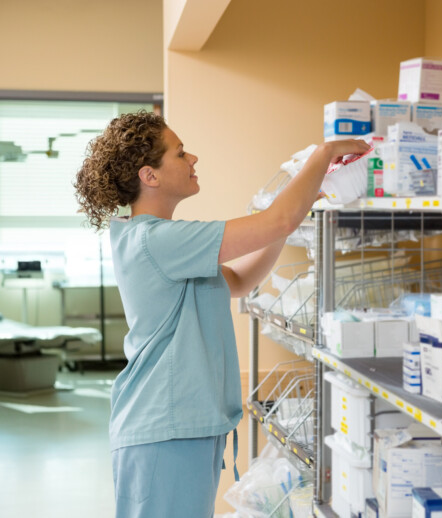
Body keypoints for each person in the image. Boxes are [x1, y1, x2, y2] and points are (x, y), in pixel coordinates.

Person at [74, 111, 369, 518]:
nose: (192, 158)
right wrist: (325, 154)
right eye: (179, 153)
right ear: (150, 175)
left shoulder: (161, 241)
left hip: (182, 425)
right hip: (166, 426)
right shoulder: (156, 240)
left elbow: (239, 281)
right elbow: (276, 218)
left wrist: (290, 219)